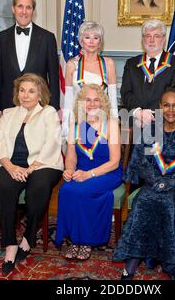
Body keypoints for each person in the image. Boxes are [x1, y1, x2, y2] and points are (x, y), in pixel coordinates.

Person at [113, 86, 175, 280]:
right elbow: (143, 161)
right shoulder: (151, 131)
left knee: (167, 201)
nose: (170, 110)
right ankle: (132, 264)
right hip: (152, 182)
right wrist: (155, 180)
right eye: (166, 105)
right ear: (160, 106)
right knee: (143, 200)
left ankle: (169, 258)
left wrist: (169, 182)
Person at [0, 73, 63, 275]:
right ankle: (9, 244)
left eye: (31, 91)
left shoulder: (48, 113)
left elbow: (52, 143)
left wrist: (30, 169)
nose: (25, 95)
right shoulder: (8, 113)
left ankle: (29, 237)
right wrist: (10, 166)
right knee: (4, 187)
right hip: (12, 164)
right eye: (22, 90)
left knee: (37, 190)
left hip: (43, 164)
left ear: (40, 94)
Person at [56, 84, 122, 261]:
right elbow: (71, 157)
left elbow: (114, 162)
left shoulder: (112, 125)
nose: (92, 104)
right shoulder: (76, 126)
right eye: (88, 100)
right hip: (81, 171)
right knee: (66, 189)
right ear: (81, 103)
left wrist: (89, 174)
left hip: (107, 173)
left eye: (96, 100)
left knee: (82, 190)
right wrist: (69, 170)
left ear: (102, 104)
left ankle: (85, 241)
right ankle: (74, 239)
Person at [0, 0, 60, 113]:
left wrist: (53, 108)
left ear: (33, 11)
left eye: (28, 7)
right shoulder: (1, 38)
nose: (24, 11)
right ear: (13, 9)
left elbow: (54, 78)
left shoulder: (47, 38)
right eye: (20, 6)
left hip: (39, 107)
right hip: (9, 107)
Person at [120, 19, 175, 128]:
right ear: (142, 39)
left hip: (164, 121)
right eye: (147, 36)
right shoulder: (131, 63)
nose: (151, 40)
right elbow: (126, 93)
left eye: (156, 36)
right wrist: (139, 112)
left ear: (163, 39)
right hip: (136, 121)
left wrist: (153, 115)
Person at [62, 21, 118, 142]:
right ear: (81, 41)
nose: (91, 41)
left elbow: (112, 98)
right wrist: (66, 125)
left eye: (96, 38)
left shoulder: (108, 64)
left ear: (100, 42)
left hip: (101, 119)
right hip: (78, 119)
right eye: (87, 37)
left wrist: (114, 124)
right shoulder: (72, 65)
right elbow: (68, 99)